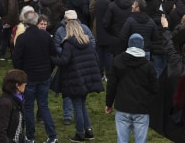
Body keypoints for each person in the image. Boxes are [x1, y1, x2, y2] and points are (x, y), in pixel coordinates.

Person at [51, 14, 103, 142]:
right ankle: (88, 130)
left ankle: (80, 133)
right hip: (87, 78)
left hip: (75, 79)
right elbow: (95, 58)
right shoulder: (87, 42)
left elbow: (64, 60)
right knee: (82, 105)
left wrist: (50, 58)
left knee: (77, 106)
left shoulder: (69, 44)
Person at [11, 9, 57, 143]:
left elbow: (16, 58)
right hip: (44, 76)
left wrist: (20, 73)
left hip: (28, 77)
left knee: (28, 107)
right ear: (36, 22)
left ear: (25, 22)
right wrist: (49, 70)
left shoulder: (22, 38)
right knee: (43, 106)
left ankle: (30, 137)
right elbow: (53, 55)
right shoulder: (46, 36)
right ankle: (52, 136)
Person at [105, 33, 158, 143]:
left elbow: (111, 85)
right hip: (141, 108)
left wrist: (109, 104)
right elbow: (155, 88)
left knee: (122, 140)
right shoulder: (149, 66)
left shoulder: (117, 61)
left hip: (123, 107)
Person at [0, 69, 27, 143]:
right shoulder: (5, 103)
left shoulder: (17, 100)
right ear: (17, 85)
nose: (25, 84)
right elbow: (0, 132)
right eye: (24, 83)